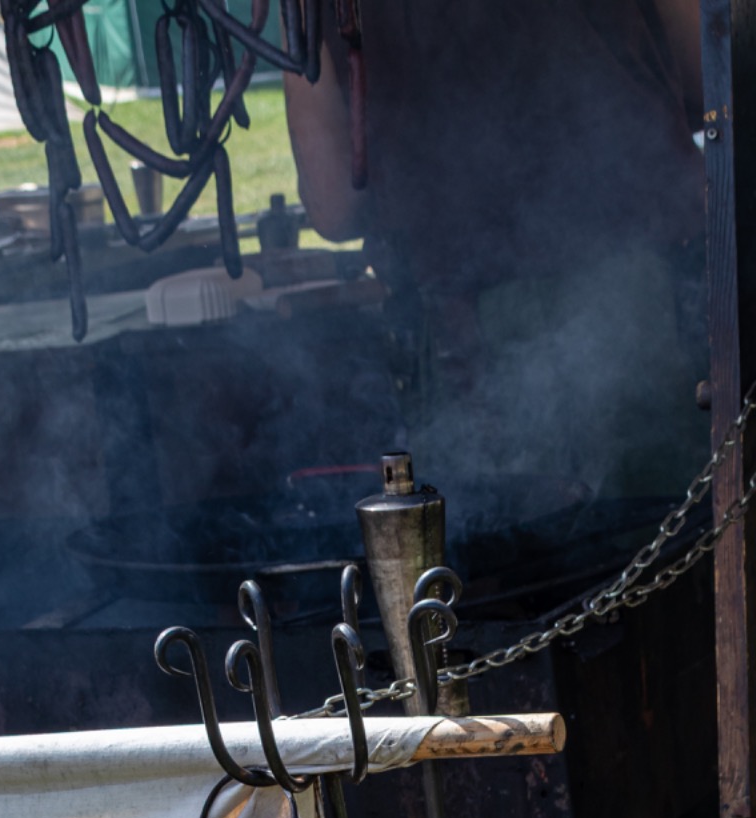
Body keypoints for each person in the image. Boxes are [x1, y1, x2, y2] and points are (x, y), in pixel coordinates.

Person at [282, 1, 709, 506]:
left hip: (467, 332)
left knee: (504, 544)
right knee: (671, 534)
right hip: (646, 299)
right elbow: (708, 74)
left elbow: (335, 205)